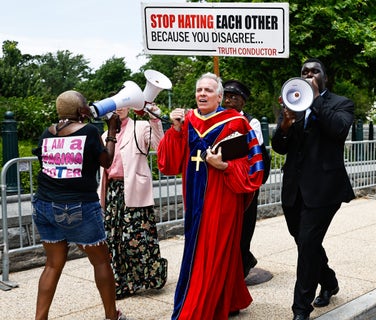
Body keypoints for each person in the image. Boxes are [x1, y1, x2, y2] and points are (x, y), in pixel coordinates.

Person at [157, 73, 264, 319]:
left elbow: (253, 166)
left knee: (215, 250)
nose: (202, 94)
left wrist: (224, 166)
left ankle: (198, 309)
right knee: (201, 250)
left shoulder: (236, 123)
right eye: (199, 90)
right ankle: (229, 299)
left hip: (223, 198)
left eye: (208, 90)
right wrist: (174, 131)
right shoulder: (186, 121)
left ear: (219, 97)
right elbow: (169, 164)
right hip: (194, 198)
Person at [271, 58, 355, 320]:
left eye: (314, 72)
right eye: (304, 72)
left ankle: (301, 310)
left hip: (325, 189)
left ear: (324, 78)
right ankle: (329, 281)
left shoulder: (340, 104)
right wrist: (284, 125)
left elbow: (338, 129)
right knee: (305, 242)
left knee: (307, 244)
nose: (308, 75)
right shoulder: (293, 103)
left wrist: (315, 98)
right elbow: (280, 147)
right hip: (294, 189)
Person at [31, 90, 125, 320]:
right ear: (81, 111)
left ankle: (39, 318)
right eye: (85, 106)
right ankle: (112, 316)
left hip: (44, 204)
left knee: (53, 264)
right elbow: (107, 161)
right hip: (78, 206)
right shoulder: (90, 131)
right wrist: (112, 130)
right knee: (102, 260)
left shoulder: (47, 133)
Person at [98, 104, 167, 299]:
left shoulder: (141, 126)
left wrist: (155, 119)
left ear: (129, 107)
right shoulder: (105, 135)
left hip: (134, 189)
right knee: (114, 240)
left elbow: (159, 146)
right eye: (115, 106)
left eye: (123, 105)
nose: (119, 110)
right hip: (112, 191)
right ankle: (120, 283)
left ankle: (145, 279)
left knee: (136, 239)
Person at [222, 79, 273, 284]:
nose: (229, 100)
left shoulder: (251, 123)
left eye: (234, 97)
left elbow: (253, 151)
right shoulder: (216, 118)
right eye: (226, 96)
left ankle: (241, 269)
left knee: (244, 228)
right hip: (223, 183)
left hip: (245, 184)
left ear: (243, 101)